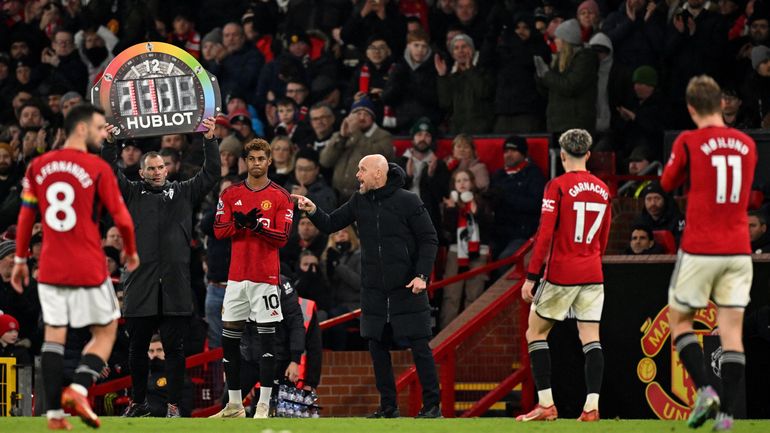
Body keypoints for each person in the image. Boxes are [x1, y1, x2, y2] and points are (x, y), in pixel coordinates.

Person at [10, 104, 139, 430]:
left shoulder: (38, 166)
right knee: (107, 329)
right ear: (81, 129)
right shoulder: (95, 167)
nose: (101, 133)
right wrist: (132, 251)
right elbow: (122, 217)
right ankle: (80, 388)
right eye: (98, 128)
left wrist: (23, 259)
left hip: (50, 267)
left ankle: (54, 416)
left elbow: (27, 216)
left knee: (54, 336)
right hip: (87, 264)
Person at [293, 154, 441, 418]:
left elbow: (429, 239)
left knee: (420, 346)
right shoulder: (359, 201)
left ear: (378, 173)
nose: (357, 175)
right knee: (377, 348)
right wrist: (312, 209)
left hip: (408, 287)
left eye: (362, 170)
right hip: (373, 291)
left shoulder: (409, 201)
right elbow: (330, 223)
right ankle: (388, 407)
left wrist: (422, 275)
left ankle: (432, 407)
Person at [102, 118, 221, 419]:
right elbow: (108, 175)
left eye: (160, 167)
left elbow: (212, 173)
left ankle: (173, 405)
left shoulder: (183, 191)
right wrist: (109, 144)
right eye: (151, 168)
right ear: (141, 172)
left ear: (168, 170)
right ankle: (138, 402)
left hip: (175, 285)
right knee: (137, 349)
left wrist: (209, 140)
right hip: (140, 284)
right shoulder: (129, 193)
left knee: (174, 349)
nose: (156, 172)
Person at [661, 75, 757, 431]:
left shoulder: (689, 140)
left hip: (701, 247)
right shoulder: (748, 144)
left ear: (690, 108)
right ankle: (727, 418)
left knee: (680, 321)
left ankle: (706, 392)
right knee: (732, 332)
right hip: (739, 249)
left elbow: (668, 183)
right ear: (720, 104)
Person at [518, 129, 611, 422]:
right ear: (587, 154)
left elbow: (544, 236)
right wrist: (592, 259)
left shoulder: (556, 186)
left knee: (535, 332)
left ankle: (546, 404)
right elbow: (604, 237)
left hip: (562, 272)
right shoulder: (603, 188)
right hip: (593, 271)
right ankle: (592, 406)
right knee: (591, 339)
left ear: (562, 154)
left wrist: (531, 276)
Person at [211, 138, 294, 419]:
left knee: (266, 344)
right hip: (236, 278)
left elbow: (282, 238)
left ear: (269, 161)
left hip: (265, 278)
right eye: (252, 159)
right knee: (230, 341)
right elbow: (219, 230)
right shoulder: (231, 194)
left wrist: (257, 227)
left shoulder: (282, 196)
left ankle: (262, 406)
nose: (257, 163)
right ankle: (234, 405)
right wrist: (239, 223)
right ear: (245, 162)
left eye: (262, 158)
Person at [439, 169, 492, 329]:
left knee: (474, 296)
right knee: (451, 296)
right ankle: (444, 337)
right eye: (458, 181)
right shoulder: (450, 203)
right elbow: (447, 230)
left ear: (472, 183)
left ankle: (470, 335)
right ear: (453, 185)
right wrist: (450, 210)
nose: (462, 183)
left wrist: (476, 212)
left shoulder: (482, 202)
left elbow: (489, 228)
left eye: (465, 180)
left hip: (479, 252)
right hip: (456, 252)